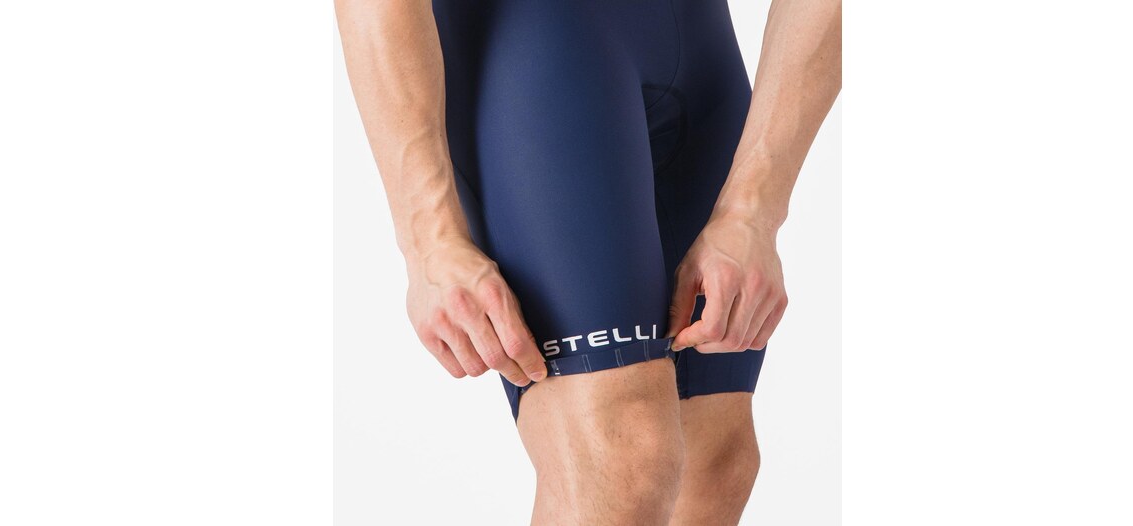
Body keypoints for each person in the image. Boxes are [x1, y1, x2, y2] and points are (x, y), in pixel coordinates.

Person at [337, 0, 838, 523]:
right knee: (620, 459)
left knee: (715, 464)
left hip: (699, 42)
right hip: (536, 44)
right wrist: (430, 240)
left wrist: (753, 213)